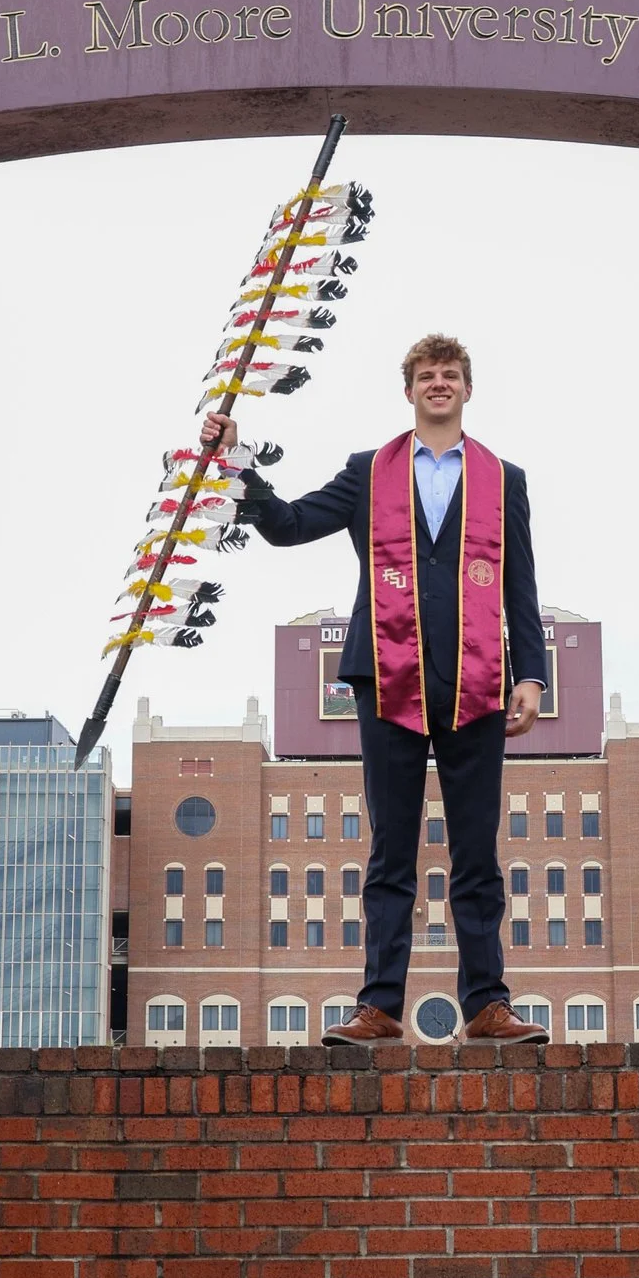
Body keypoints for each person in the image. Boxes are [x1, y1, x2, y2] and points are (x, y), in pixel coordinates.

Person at [201, 331, 548, 1045]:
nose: (439, 384)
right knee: (391, 849)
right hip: (385, 677)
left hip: (477, 679)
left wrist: (532, 674)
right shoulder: (370, 472)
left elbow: (521, 585)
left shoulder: (503, 478)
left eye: (451, 374)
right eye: (427, 375)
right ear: (409, 390)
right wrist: (236, 459)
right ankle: (379, 1008)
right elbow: (290, 526)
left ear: (468, 388)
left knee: (476, 852)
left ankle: (487, 1004)